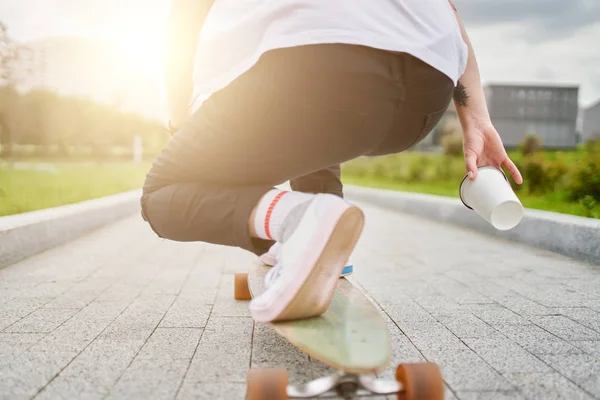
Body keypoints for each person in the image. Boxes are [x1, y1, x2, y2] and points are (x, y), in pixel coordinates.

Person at [141, 0, 523, 323]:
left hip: (313, 64)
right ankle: (324, 248)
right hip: (425, 96)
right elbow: (448, 8)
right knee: (311, 128)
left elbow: (185, 18)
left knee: (163, 191)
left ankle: (299, 220)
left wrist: (179, 121)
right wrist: (477, 118)